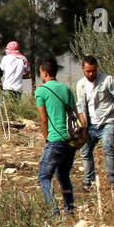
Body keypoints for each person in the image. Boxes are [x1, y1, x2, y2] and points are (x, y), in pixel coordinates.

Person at [75, 55, 114, 191]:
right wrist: (81, 125)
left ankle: (112, 181)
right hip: (89, 124)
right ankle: (89, 181)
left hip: (108, 121)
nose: (91, 74)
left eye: (93, 70)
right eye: (88, 71)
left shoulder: (107, 80)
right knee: (85, 150)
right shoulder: (80, 84)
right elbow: (81, 106)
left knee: (107, 147)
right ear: (83, 69)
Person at [34, 60, 77, 215]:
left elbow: (43, 119)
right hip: (70, 141)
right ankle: (69, 209)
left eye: (40, 72)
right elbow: (76, 114)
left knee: (44, 176)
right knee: (63, 175)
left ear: (44, 73)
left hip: (55, 140)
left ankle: (53, 210)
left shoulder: (41, 91)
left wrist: (46, 138)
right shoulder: (66, 89)